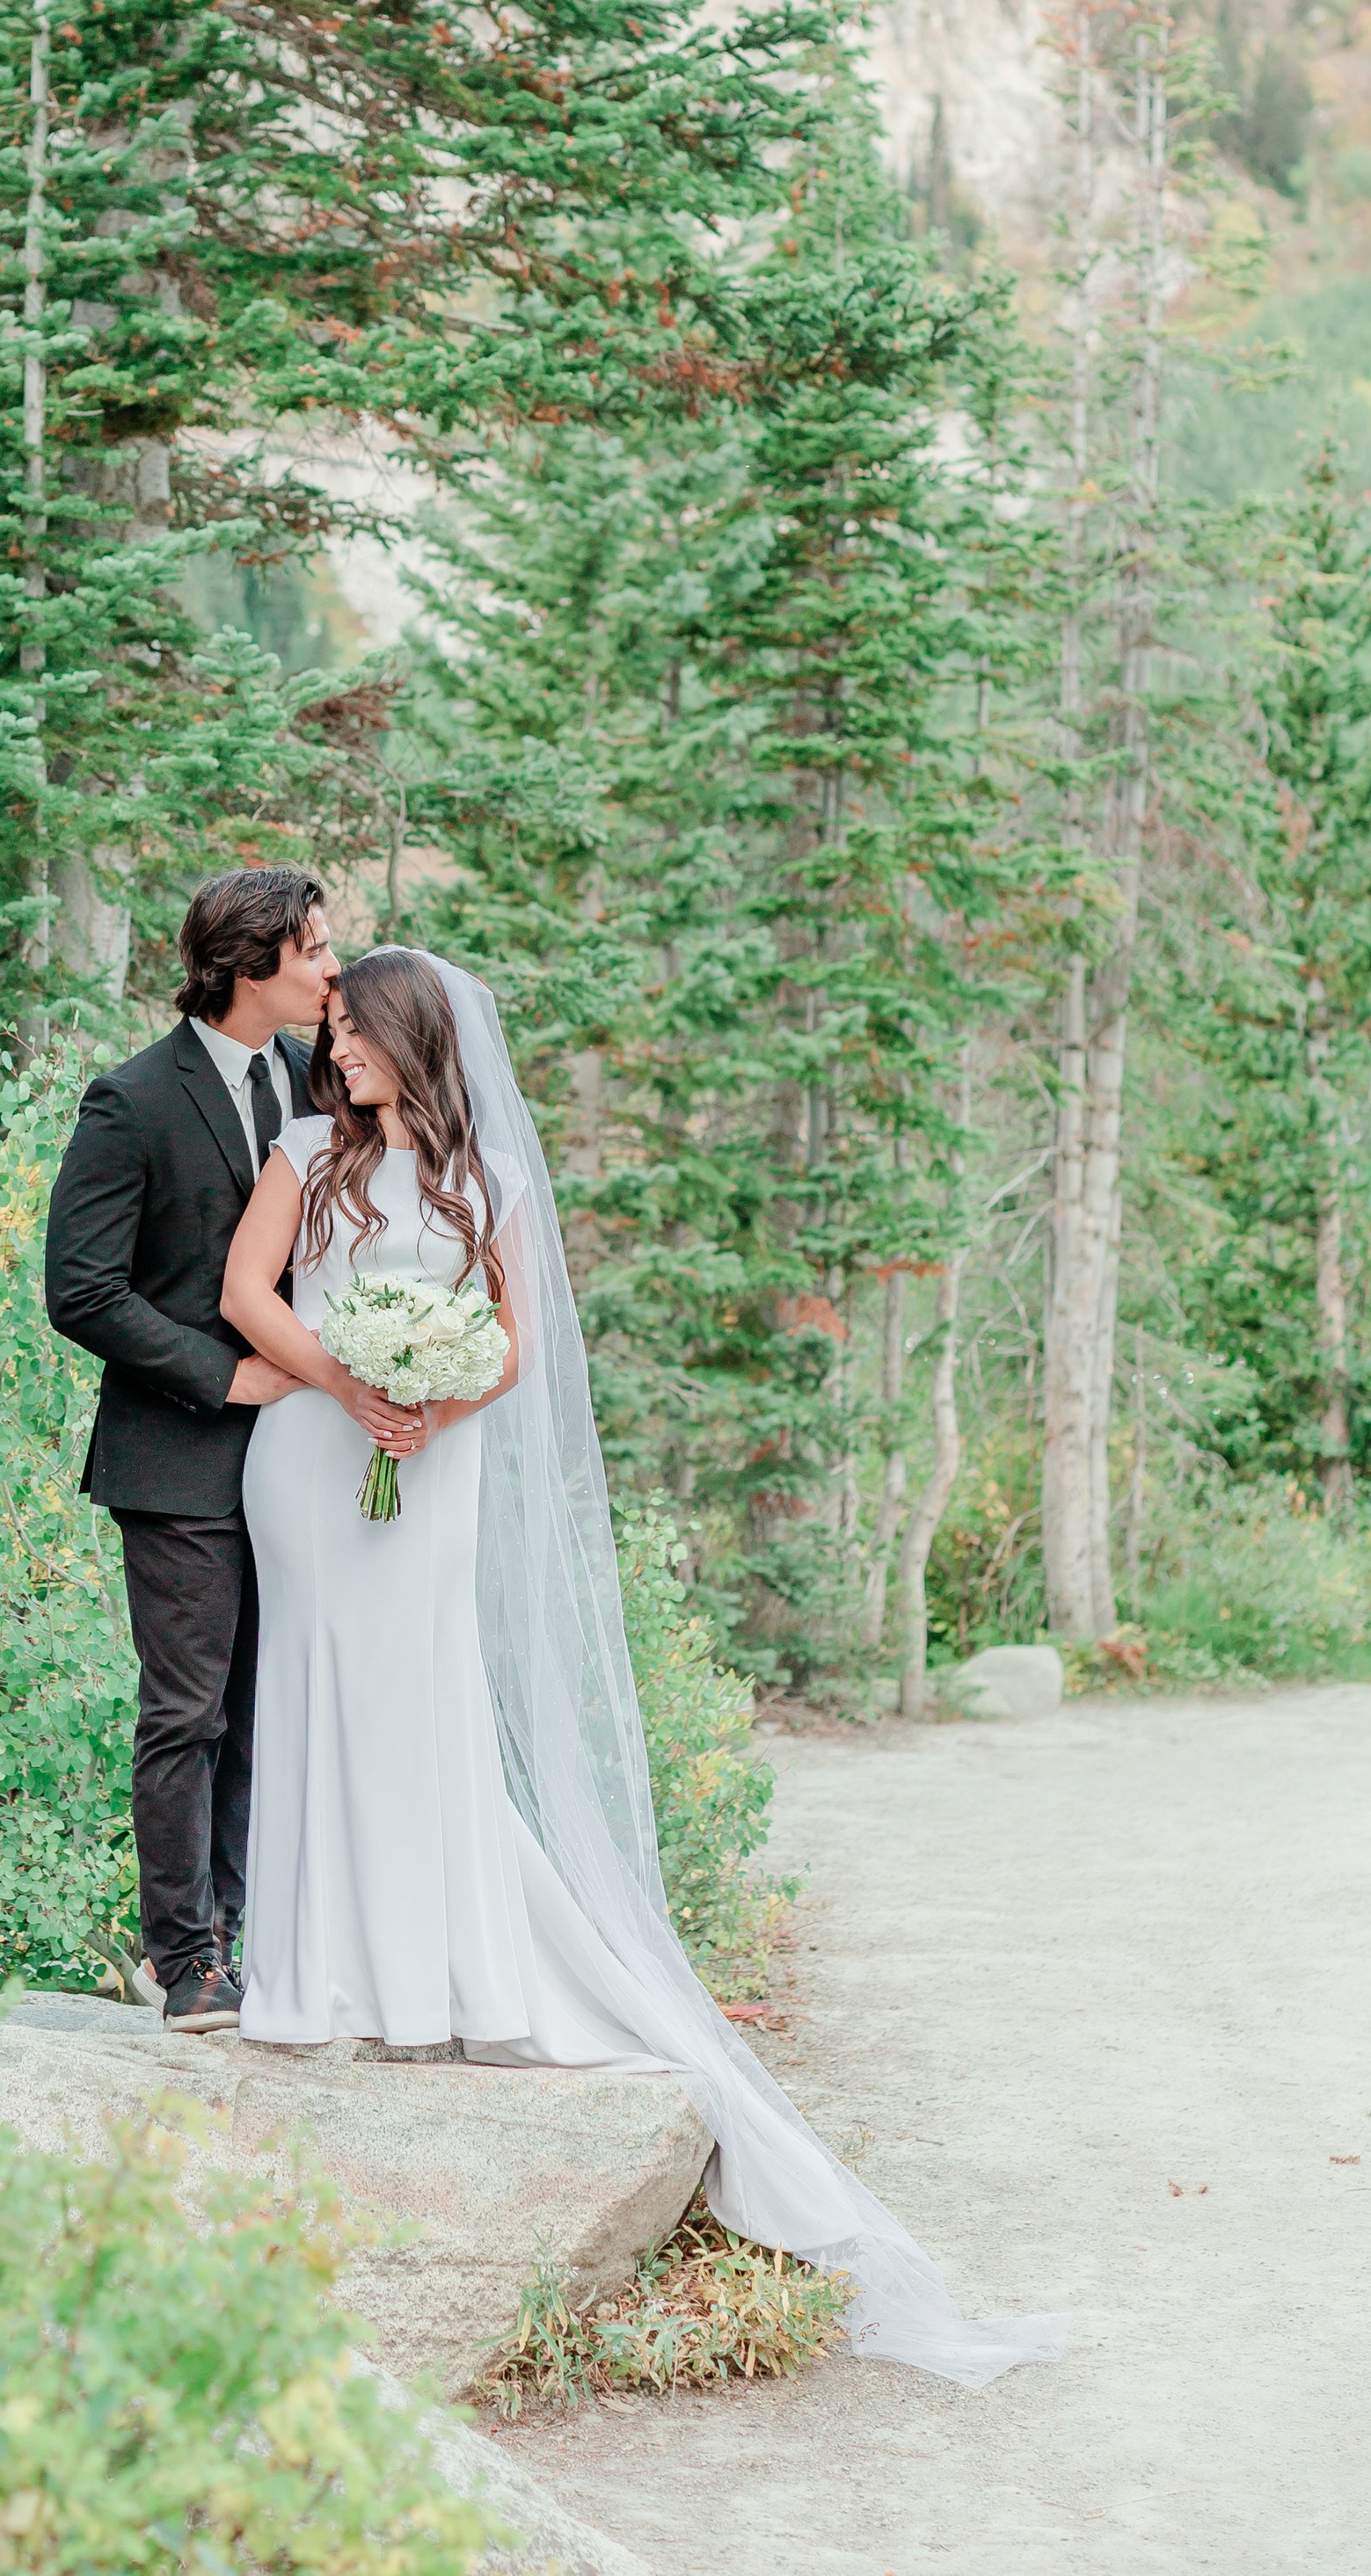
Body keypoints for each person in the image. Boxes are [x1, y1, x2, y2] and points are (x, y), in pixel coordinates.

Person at [221, 944, 1067, 2390]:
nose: (335, 1051)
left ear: (416, 1039)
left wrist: (432, 1393)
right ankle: (321, 1976)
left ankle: (433, 1980)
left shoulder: (493, 1181)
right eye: (332, 1029)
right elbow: (249, 1296)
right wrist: (354, 1384)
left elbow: (517, 1343)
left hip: (436, 1464)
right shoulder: (308, 1155)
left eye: (356, 1033)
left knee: (422, 1707)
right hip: (312, 1457)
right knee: (318, 1698)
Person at [44, 867, 393, 2032]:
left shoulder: (322, 1080)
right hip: (179, 1451)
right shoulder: (131, 1100)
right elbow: (81, 1289)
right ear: (251, 964)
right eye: (314, 950)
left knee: (266, 1703)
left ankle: (250, 1942)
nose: (333, 968)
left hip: (302, 1452)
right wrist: (224, 1371)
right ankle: (182, 1956)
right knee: (188, 1709)